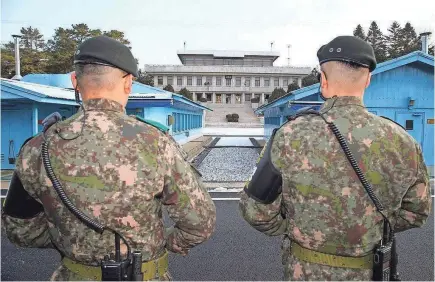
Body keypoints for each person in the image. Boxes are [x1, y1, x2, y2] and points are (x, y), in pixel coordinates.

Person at [2, 36, 216, 281]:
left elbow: (20, 231)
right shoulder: (156, 142)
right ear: (128, 83)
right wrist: (166, 241)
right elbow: (200, 223)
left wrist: (67, 238)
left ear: (75, 81)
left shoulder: (38, 148)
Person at [239, 35, 432, 281]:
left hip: (306, 272)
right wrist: (367, 230)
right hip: (370, 272)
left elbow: (255, 210)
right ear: (368, 80)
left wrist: (296, 230)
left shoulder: (289, 136)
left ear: (323, 80)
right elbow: (416, 212)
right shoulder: (403, 142)